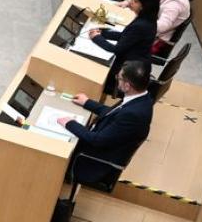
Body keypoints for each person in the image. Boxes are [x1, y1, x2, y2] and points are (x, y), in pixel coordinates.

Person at [61, 62, 155, 190]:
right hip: (102, 142)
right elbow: (114, 113)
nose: (117, 78)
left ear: (127, 86)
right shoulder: (142, 98)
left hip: (94, 160)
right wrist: (87, 103)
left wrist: (69, 123)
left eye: (119, 78)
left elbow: (97, 140)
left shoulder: (133, 115)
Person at [88, 0, 159, 94]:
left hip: (127, 72)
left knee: (91, 68)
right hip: (135, 63)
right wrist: (103, 33)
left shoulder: (141, 25)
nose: (130, 2)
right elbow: (126, 36)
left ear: (144, 6)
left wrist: (96, 38)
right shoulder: (147, 19)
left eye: (135, 1)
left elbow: (116, 49)